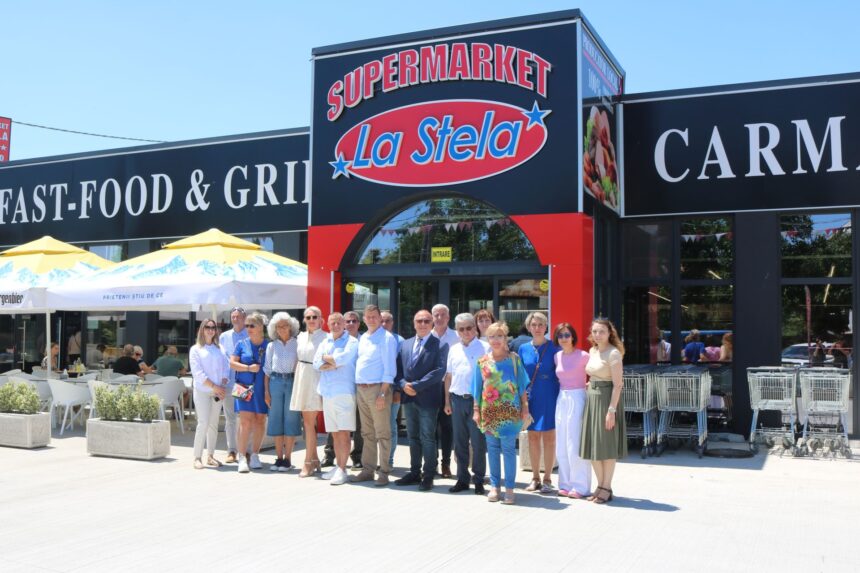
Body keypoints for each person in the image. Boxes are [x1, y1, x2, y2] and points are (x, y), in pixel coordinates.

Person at [472, 321, 530, 505]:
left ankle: (510, 489)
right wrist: (476, 411)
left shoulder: (514, 359)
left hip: (510, 414)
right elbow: (476, 389)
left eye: (499, 336)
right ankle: (495, 487)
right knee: (492, 450)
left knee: (509, 450)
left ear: (505, 338)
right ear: (487, 339)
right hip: (489, 412)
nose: (495, 340)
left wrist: (525, 408)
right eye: (492, 336)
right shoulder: (482, 362)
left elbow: (522, 387)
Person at [394, 310, 445, 491]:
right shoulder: (405, 344)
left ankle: (428, 475)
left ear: (432, 323)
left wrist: (415, 386)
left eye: (426, 321)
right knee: (413, 437)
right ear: (414, 323)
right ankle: (414, 472)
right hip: (408, 398)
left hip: (428, 399)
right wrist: (403, 384)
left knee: (427, 438)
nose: (422, 324)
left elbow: (438, 371)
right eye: (419, 321)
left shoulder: (440, 345)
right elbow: (398, 370)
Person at [580, 318, 627, 504]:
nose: (597, 335)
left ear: (609, 333)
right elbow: (594, 374)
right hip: (592, 400)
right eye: (595, 331)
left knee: (606, 446)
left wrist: (611, 410)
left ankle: (606, 487)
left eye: (601, 331)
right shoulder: (593, 350)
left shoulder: (613, 353)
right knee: (593, 446)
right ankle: (600, 486)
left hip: (607, 401)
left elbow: (618, 385)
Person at [350, 304, 397, 486]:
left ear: (380, 318)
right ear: (364, 319)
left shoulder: (386, 338)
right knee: (367, 432)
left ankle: (384, 472)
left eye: (374, 316)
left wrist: (383, 394)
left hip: (378, 389)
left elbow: (389, 369)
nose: (371, 319)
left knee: (382, 433)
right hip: (361, 389)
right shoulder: (363, 338)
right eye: (368, 317)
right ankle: (368, 470)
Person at [444, 312, 489, 494]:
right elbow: (448, 376)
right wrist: (447, 401)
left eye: (469, 328)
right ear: (457, 331)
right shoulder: (453, 349)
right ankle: (462, 479)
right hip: (456, 400)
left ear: (475, 328)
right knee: (459, 442)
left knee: (478, 443)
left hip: (477, 401)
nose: (465, 332)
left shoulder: (485, 347)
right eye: (461, 329)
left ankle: (478, 480)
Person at [314, 313, 359, 486]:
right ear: (328, 324)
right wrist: (331, 363)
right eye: (333, 322)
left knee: (344, 433)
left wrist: (326, 359)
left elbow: (343, 359)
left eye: (339, 322)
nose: (336, 325)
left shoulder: (352, 342)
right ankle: (339, 466)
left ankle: (342, 469)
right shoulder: (324, 342)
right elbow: (316, 364)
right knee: (334, 433)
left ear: (344, 324)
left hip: (344, 392)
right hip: (327, 393)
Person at [519, 311, 560, 494]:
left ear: (546, 327)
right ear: (529, 327)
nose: (537, 328)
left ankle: (548, 479)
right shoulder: (523, 348)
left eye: (541, 324)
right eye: (534, 325)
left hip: (550, 394)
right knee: (533, 437)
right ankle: (535, 477)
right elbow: (520, 375)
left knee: (549, 437)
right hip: (530, 396)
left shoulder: (554, 348)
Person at [553, 323, 591, 499]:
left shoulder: (584, 356)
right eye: (560, 336)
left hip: (577, 397)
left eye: (567, 335)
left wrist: (591, 384)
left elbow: (597, 372)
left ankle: (580, 487)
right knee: (561, 442)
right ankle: (565, 484)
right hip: (562, 398)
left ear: (573, 337)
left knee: (575, 443)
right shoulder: (557, 356)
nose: (564, 339)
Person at [230, 312, 269, 473]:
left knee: (260, 420)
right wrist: (247, 368)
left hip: (262, 388)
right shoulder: (241, 344)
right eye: (246, 325)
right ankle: (241, 457)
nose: (248, 328)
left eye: (252, 325)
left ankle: (255, 455)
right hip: (243, 386)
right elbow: (232, 364)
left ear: (260, 327)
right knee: (245, 422)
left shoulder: (268, 345)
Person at [189, 319, 230, 469]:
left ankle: (210, 456)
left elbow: (226, 367)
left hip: (217, 392)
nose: (211, 330)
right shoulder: (195, 349)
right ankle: (197, 457)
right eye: (207, 327)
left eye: (213, 327)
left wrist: (223, 383)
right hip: (202, 391)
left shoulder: (220, 348)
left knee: (213, 424)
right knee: (203, 423)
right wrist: (214, 386)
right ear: (202, 329)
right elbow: (197, 373)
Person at [291, 306, 326, 477]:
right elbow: (297, 359)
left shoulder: (325, 337)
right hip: (302, 377)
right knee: (308, 422)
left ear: (321, 319)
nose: (311, 320)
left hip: (316, 378)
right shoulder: (300, 337)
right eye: (308, 317)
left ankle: (308, 462)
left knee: (309, 422)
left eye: (315, 317)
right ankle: (315, 458)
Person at [264, 312, 301, 472]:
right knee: (276, 420)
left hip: (292, 382)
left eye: (285, 325)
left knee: (291, 419)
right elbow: (267, 370)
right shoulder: (272, 346)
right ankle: (279, 458)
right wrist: (266, 392)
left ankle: (288, 459)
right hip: (275, 382)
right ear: (275, 329)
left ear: (291, 327)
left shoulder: (298, 344)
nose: (282, 329)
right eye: (278, 326)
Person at [431, 303, 458, 478]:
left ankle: (445, 464)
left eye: (443, 315)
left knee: (447, 427)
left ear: (448, 317)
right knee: (430, 427)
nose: (439, 318)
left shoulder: (456, 337)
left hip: (449, 388)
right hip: (430, 388)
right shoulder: (426, 335)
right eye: (436, 315)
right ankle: (431, 463)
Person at [219, 307, 248, 464]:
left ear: (244, 318)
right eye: (233, 317)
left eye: (238, 317)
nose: (235, 319)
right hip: (228, 384)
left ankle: (246, 451)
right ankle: (231, 451)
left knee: (244, 418)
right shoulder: (224, 336)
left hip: (243, 383)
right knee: (230, 419)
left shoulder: (249, 335)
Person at [381, 310, 404, 467]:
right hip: (374, 389)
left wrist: (397, 391)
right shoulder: (371, 338)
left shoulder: (399, 341)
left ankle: (388, 460)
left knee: (390, 426)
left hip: (392, 390)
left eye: (387, 321)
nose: (384, 324)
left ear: (392, 323)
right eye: (381, 320)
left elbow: (402, 368)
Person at [344, 310, 364, 468]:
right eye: (348, 321)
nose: (351, 324)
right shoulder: (338, 339)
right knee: (338, 422)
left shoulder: (365, 340)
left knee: (359, 424)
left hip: (360, 387)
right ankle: (330, 454)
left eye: (354, 321)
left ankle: (357, 457)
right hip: (342, 386)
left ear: (359, 323)